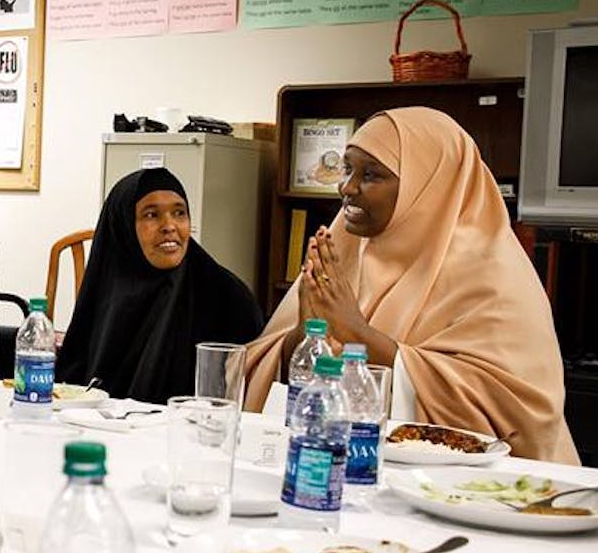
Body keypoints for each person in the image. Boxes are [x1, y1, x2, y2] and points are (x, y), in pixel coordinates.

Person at [245, 107, 579, 464]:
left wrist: (357, 334)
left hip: (491, 495)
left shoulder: (492, 272)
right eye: (346, 169)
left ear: (429, 186)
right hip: (354, 474)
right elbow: (270, 368)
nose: (347, 187)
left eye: (371, 174)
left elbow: (521, 416)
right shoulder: (343, 247)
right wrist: (303, 335)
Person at [56, 168, 265, 403]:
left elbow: (247, 396)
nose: (169, 226)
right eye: (151, 215)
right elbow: (73, 383)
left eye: (179, 213)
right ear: (123, 226)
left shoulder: (227, 297)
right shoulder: (107, 290)